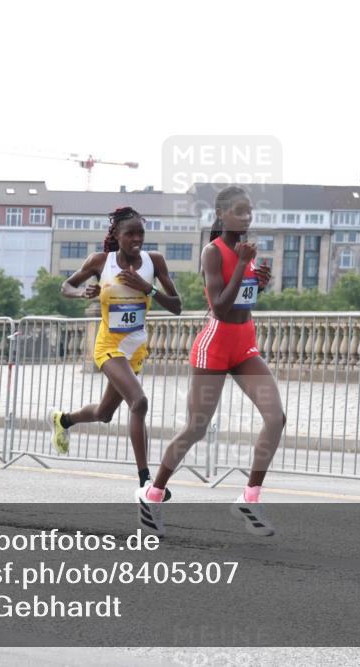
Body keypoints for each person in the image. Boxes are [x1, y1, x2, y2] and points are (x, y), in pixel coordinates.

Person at [136, 185, 282, 537]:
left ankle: (250, 497)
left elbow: (241, 299)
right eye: (240, 211)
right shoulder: (212, 252)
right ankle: (153, 495)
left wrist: (256, 284)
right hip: (214, 348)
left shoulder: (244, 251)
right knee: (196, 428)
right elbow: (219, 305)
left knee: (276, 417)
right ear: (222, 215)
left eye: (250, 212)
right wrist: (243, 265)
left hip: (245, 345)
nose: (247, 218)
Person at [49, 207, 182, 494]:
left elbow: (177, 306)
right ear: (117, 236)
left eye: (140, 233)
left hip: (135, 349)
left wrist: (148, 289)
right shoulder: (101, 261)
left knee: (104, 412)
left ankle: (64, 420)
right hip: (108, 346)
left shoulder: (154, 261)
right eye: (130, 234)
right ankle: (146, 482)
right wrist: (80, 293)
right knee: (139, 402)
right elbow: (66, 285)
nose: (137, 239)